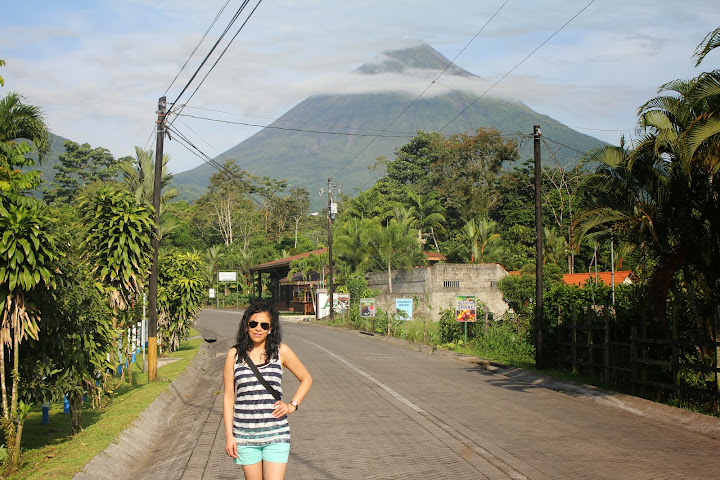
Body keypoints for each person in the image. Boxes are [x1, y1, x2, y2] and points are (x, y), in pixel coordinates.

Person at [223, 302, 312, 480]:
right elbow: (228, 398)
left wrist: (292, 405)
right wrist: (229, 436)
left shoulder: (281, 352)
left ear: (270, 329)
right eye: (253, 324)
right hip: (245, 435)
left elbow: (306, 379)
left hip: (276, 433)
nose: (258, 329)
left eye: (264, 325)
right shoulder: (234, 355)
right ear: (246, 325)